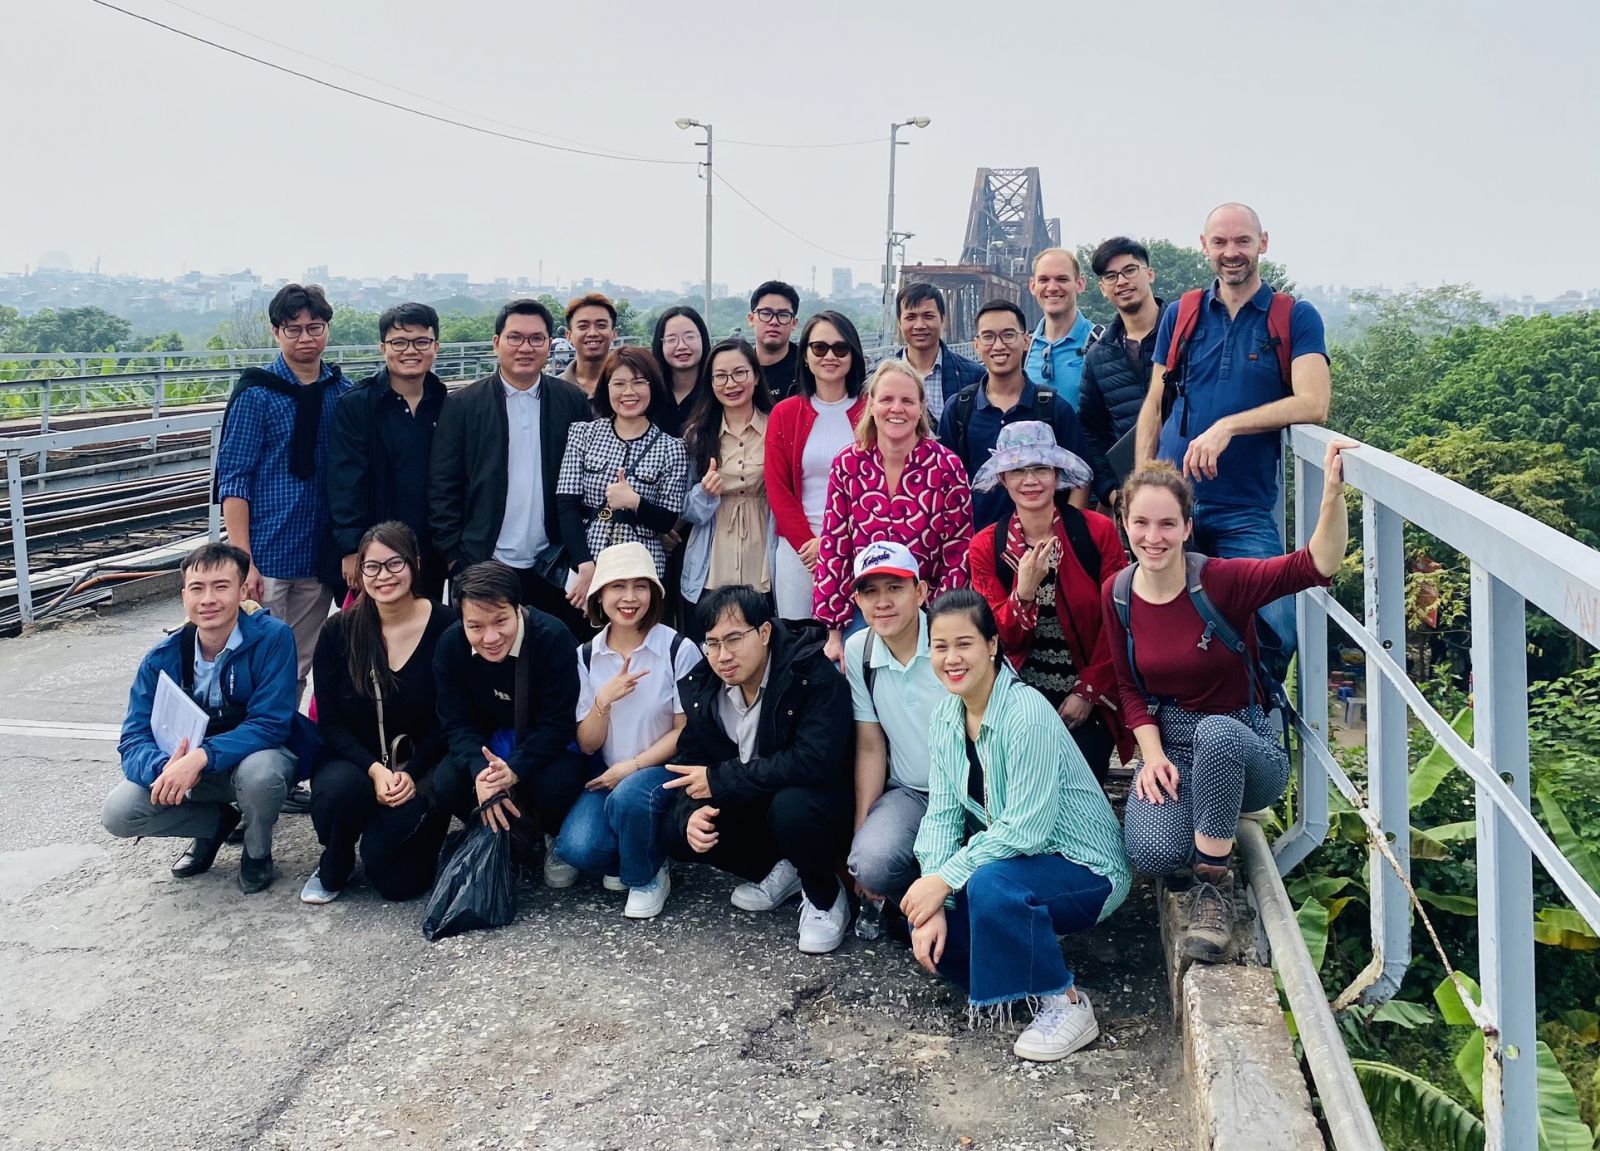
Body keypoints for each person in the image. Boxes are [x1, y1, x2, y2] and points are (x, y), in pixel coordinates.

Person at [1105, 441, 1352, 962]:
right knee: (1152, 852)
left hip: (1243, 739)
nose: (1153, 537)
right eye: (1141, 523)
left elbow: (1315, 564)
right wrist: (1152, 754)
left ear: (1187, 528)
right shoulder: (1119, 594)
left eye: (1167, 524)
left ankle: (1213, 887)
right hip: (1174, 743)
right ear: (1125, 523)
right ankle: (1205, 822)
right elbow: (1129, 688)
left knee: (1215, 734)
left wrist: (1332, 495)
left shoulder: (1220, 581)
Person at [905, 590, 1131, 1062]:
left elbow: (1026, 829)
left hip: (1084, 868)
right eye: (940, 646)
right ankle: (1021, 970)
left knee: (989, 886)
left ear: (992, 645)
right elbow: (942, 817)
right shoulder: (946, 717)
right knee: (935, 934)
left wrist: (945, 881)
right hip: (1021, 866)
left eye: (964, 644)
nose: (951, 658)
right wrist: (933, 898)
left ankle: (1065, 1002)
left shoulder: (1026, 713)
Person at [1133, 202, 1331, 679]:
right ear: (1205, 247)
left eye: (1242, 240)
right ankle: (1187, 717)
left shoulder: (1293, 317)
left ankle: (1255, 711)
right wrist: (1139, 485)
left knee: (1277, 627)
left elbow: (1314, 402)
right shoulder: (1183, 313)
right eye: (1220, 242)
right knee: (1170, 627)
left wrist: (1228, 426)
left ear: (1263, 243)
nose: (1231, 252)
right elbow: (1155, 402)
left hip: (1243, 505)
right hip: (1174, 503)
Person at [662, 585, 855, 953]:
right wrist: (690, 813)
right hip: (757, 797)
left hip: (821, 799)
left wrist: (720, 780)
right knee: (678, 829)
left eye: (734, 639)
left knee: (792, 808)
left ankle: (825, 895)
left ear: (764, 632)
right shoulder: (706, 682)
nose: (723, 655)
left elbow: (815, 760)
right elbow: (691, 758)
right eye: (713, 643)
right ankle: (786, 869)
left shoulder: (808, 671)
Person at [101, 542, 299, 894]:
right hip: (187, 767)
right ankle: (215, 824)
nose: (208, 599)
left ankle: (257, 850)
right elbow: (133, 739)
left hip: (250, 758)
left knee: (262, 776)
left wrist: (201, 757)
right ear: (184, 596)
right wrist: (165, 769)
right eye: (197, 588)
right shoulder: (161, 657)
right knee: (119, 813)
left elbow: (271, 723)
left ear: (242, 591)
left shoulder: (273, 638)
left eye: (221, 587)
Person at [966, 422, 1130, 783]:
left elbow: (1118, 619)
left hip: (1088, 692)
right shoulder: (985, 547)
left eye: (1040, 468)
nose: (1030, 480)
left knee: (1080, 783)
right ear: (1003, 479)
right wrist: (1023, 593)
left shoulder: (1096, 532)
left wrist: (1088, 692)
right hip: (1017, 695)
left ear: (1057, 475)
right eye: (1018, 471)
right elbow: (1000, 640)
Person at [302, 522, 454, 904]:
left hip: (422, 764)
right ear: (360, 572)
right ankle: (337, 853)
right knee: (337, 792)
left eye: (394, 563)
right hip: (357, 760)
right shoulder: (338, 631)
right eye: (372, 566)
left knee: (399, 885)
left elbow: (451, 717)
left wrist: (412, 772)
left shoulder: (447, 626)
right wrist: (375, 769)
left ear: (415, 564)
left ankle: (392, 834)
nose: (383, 576)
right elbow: (330, 721)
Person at [552, 543, 705, 918]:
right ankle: (638, 848)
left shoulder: (677, 648)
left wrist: (633, 767)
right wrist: (603, 700)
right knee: (576, 848)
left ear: (654, 593)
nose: (630, 597)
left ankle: (646, 875)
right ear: (599, 594)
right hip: (609, 772)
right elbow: (588, 745)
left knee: (629, 797)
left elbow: (685, 732)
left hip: (664, 769)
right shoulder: (586, 655)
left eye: (641, 586)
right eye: (618, 586)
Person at [215, 282, 350, 699]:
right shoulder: (256, 394)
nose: (306, 337)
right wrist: (243, 562)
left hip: (317, 556)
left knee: (299, 662)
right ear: (276, 332)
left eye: (315, 327)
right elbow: (234, 480)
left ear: (327, 329)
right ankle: (252, 736)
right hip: (267, 556)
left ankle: (284, 738)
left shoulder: (342, 393)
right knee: (254, 662)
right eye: (294, 329)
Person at [428, 298, 591, 636]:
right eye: (515, 337)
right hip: (483, 560)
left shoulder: (571, 400)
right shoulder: (462, 405)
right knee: (489, 651)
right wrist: (455, 558)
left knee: (556, 650)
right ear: (496, 342)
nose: (525, 347)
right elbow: (443, 484)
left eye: (536, 338)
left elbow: (585, 481)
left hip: (554, 562)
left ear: (550, 344)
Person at [430, 561, 588, 888]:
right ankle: (503, 831)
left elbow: (558, 722)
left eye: (500, 621)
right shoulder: (450, 645)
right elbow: (456, 723)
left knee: (557, 784)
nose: (490, 637)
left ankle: (553, 831)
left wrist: (515, 769)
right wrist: (481, 774)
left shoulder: (552, 638)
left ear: (517, 608)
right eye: (475, 626)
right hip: (489, 743)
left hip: (545, 740)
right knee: (447, 782)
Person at [814, 358, 972, 668]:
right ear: (871, 405)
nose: (896, 409)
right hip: (864, 606)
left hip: (925, 609)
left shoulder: (947, 466)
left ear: (921, 407)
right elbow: (834, 547)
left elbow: (958, 551)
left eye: (907, 401)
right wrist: (833, 632)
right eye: (887, 399)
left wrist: (942, 624)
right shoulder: (847, 464)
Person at [844, 541, 943, 925]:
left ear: (920, 592)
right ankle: (919, 906)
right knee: (869, 862)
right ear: (857, 601)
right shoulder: (859, 650)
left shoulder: (949, 637)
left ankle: (941, 910)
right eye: (870, 591)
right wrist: (861, 827)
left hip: (971, 792)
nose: (882, 602)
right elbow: (871, 746)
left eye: (895, 588)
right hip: (911, 791)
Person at [329, 302, 449, 600]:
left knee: (427, 621)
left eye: (421, 342)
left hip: (430, 548)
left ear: (436, 347)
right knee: (373, 626)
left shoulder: (446, 403)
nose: (411, 351)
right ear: (383, 347)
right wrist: (351, 548)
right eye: (399, 343)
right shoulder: (358, 404)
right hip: (376, 550)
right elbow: (345, 481)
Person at [939, 300, 1091, 532]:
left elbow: (1081, 481)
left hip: (1047, 541)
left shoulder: (1052, 408)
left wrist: (1067, 535)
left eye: (1008, 335)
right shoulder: (959, 409)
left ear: (1026, 340)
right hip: (979, 543)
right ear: (976, 345)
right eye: (988, 337)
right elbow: (945, 481)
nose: (999, 345)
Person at [765, 311, 868, 622]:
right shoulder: (785, 413)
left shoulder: (872, 411)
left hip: (859, 545)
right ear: (805, 355)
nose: (830, 357)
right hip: (801, 551)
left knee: (857, 636)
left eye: (841, 348)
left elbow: (876, 484)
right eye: (819, 348)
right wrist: (810, 544)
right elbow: (777, 488)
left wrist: (835, 542)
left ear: (853, 354)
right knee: (800, 637)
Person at [556, 347, 688, 582]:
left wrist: (634, 502)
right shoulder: (583, 434)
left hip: (642, 566)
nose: (628, 392)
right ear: (606, 388)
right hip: (588, 562)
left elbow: (667, 519)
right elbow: (567, 505)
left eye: (638, 382)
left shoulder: (673, 448)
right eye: (618, 383)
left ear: (653, 387)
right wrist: (584, 564)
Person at [678, 338, 777, 642]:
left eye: (739, 373)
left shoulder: (777, 426)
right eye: (720, 376)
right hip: (713, 552)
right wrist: (705, 493)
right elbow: (685, 509)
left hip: (763, 549)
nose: (730, 384)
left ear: (755, 376)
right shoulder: (698, 434)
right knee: (711, 639)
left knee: (761, 638)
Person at [1078, 238, 1166, 510]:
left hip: (1195, 483)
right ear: (1103, 288)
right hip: (1136, 498)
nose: (1122, 281)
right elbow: (1091, 431)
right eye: (1111, 276)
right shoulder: (1098, 356)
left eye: (1130, 270)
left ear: (1149, 273)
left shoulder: (1184, 336)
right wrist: (1110, 492)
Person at [892, 282, 984, 420]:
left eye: (928, 316)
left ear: (943, 319)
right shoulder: (879, 378)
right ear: (899, 323)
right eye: (910, 317)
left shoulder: (975, 376)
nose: (920, 325)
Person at [1023, 248, 1101, 409]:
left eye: (1062, 279)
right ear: (1032, 286)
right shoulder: (1023, 349)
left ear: (1080, 284)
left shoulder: (1101, 343)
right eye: (1044, 280)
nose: (1052, 287)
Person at [650, 305, 711, 438]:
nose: (682, 346)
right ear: (660, 344)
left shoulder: (716, 391)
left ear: (703, 339)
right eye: (671, 339)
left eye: (690, 337)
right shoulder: (649, 392)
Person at [746, 280, 801, 398]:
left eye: (783, 315)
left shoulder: (808, 370)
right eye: (766, 313)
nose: (774, 322)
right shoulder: (739, 369)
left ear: (794, 323)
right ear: (751, 319)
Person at [559, 291, 617, 404]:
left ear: (614, 334)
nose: (592, 333)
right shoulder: (554, 391)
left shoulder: (629, 388)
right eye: (583, 326)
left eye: (601, 326)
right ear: (569, 336)